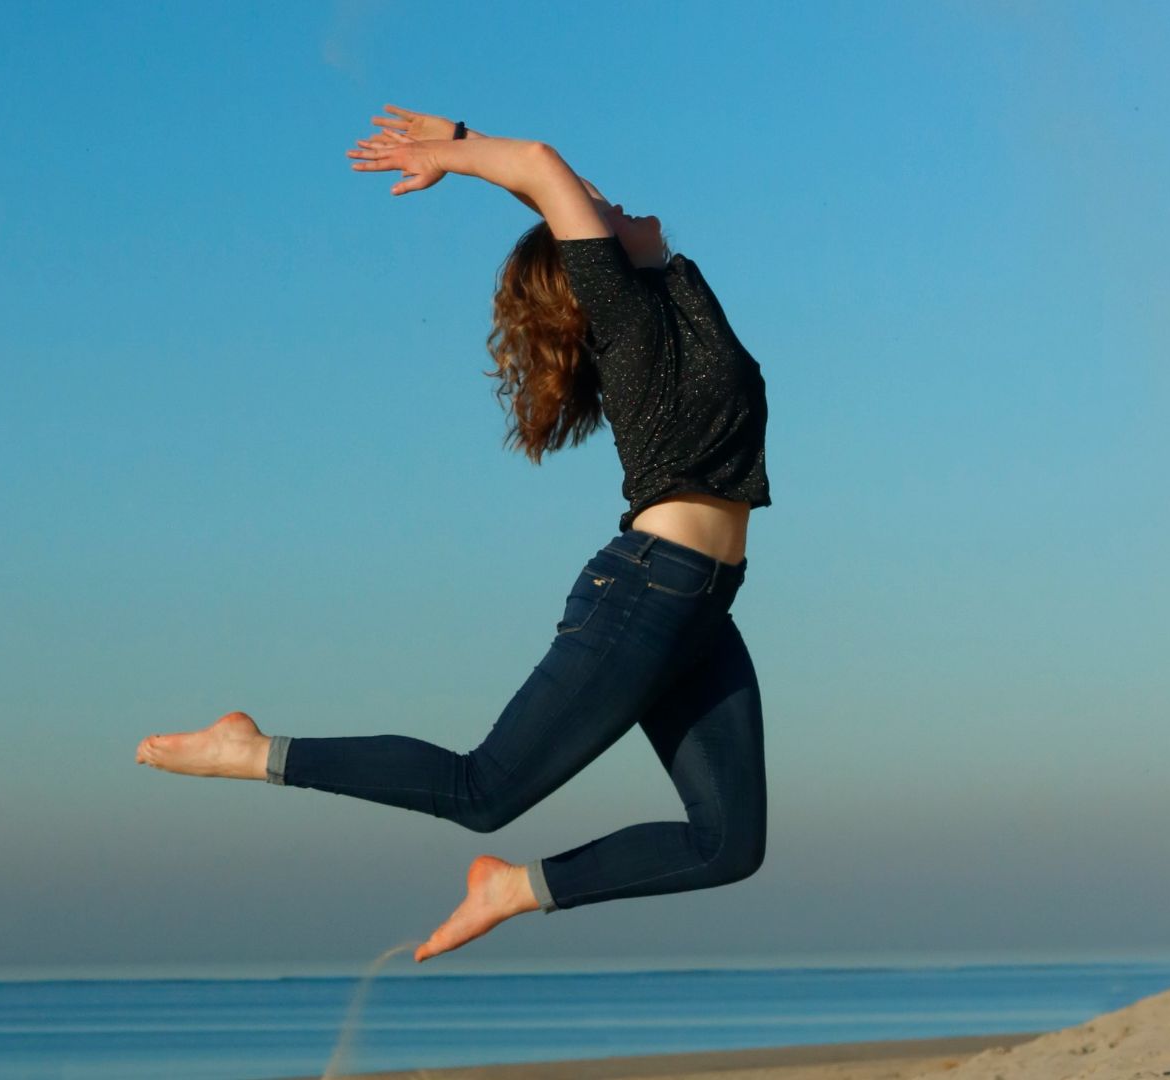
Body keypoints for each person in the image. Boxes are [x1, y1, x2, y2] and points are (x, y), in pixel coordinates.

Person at [136, 105, 771, 964]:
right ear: (589, 269)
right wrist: (457, 154)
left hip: (702, 609)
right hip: (648, 593)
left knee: (727, 843)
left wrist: (469, 139)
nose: (610, 206)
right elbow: (548, 171)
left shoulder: (671, 281)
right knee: (482, 791)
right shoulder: (626, 317)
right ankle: (251, 751)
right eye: (592, 219)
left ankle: (513, 888)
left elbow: (577, 191)